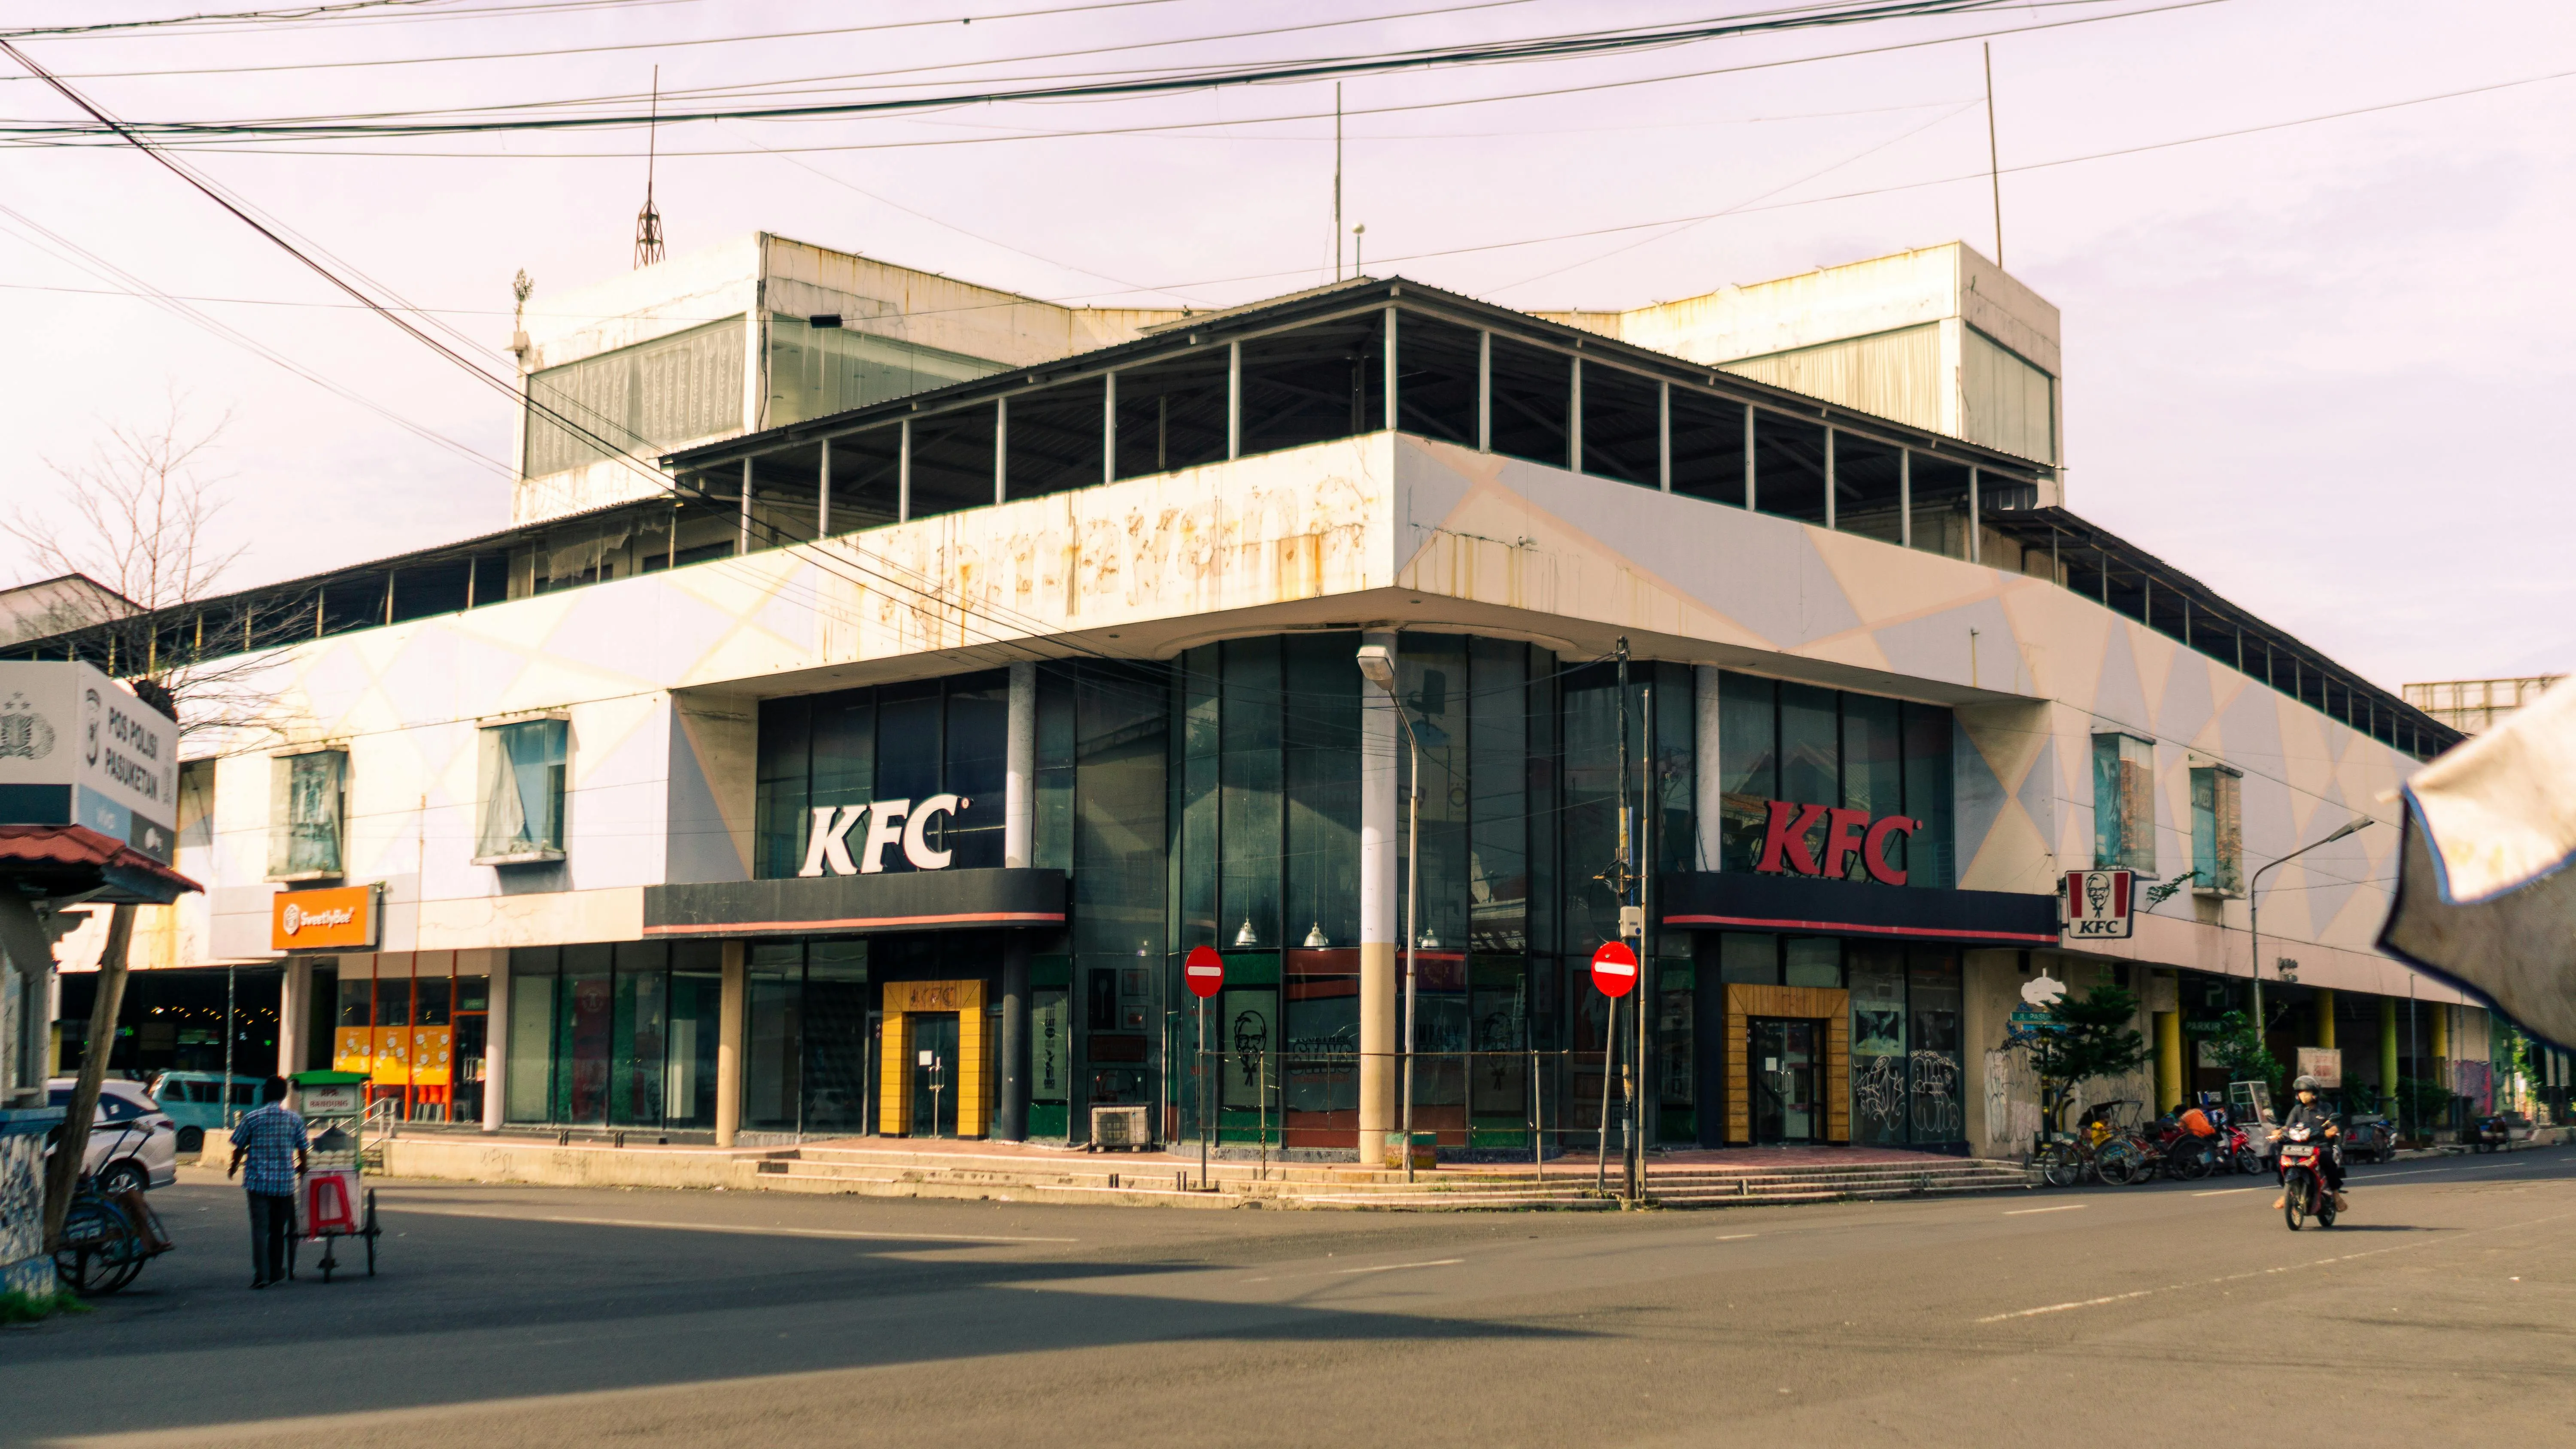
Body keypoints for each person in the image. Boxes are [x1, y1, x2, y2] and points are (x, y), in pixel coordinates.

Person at [226, 1076, 307, 1289]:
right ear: (283, 1095)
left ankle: (261, 1275)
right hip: (284, 1185)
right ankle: (275, 1270)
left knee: (260, 1230)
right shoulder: (294, 1119)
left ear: (265, 1094)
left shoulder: (252, 1119)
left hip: (258, 1183)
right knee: (278, 1230)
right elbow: (303, 1148)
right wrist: (302, 1168)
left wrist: (233, 1168)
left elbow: (239, 1147)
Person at [2269, 1075, 2346, 1213]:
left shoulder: (2325, 1108)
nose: (2302, 1095)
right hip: (2298, 1147)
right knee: (2280, 1159)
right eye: (2299, 1092)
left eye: (2305, 1092)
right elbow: (2287, 1127)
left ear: (2314, 1094)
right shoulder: (2297, 1110)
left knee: (2328, 1160)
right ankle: (2286, 1192)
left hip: (2320, 1146)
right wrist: (2278, 1132)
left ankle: (2336, 1195)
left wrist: (2332, 1131)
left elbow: (2334, 1125)